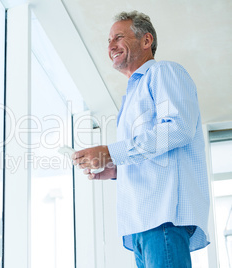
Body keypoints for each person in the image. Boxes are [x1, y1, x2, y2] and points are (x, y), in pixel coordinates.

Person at [72, 11, 210, 267]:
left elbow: (178, 128)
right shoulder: (132, 95)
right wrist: (115, 170)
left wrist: (112, 152)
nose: (111, 46)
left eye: (119, 37)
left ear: (146, 40)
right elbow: (152, 151)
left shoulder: (164, 72)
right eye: (109, 40)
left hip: (162, 218)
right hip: (141, 225)